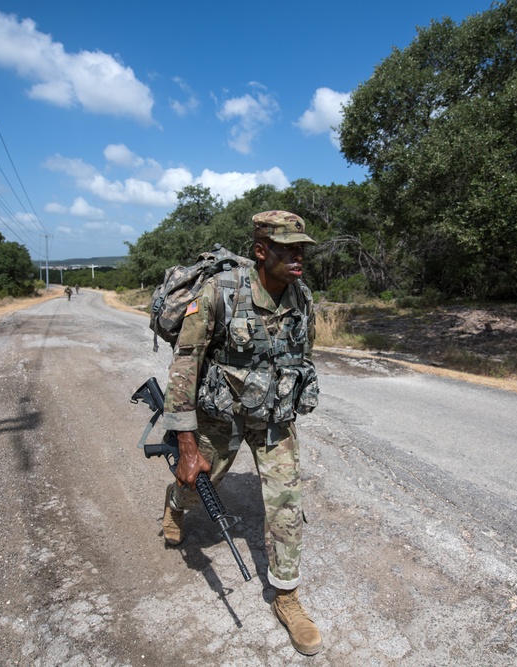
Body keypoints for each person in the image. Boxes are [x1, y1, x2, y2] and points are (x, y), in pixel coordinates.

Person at [161, 210, 322, 655]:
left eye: (301, 249)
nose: (297, 257)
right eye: (288, 249)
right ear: (260, 251)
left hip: (273, 418)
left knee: (287, 500)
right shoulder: (220, 292)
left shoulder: (301, 298)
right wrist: (187, 445)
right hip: (223, 416)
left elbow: (300, 356)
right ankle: (175, 505)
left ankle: (287, 595)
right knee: (198, 484)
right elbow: (185, 365)